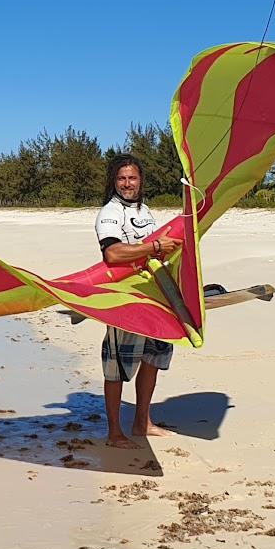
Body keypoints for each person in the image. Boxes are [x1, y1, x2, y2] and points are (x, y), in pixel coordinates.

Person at [94, 153, 182, 448]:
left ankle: (142, 422)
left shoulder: (145, 211)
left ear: (141, 180)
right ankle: (115, 433)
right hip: (124, 299)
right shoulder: (110, 212)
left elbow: (150, 250)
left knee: (153, 359)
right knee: (117, 366)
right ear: (114, 181)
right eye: (121, 178)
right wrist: (155, 245)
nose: (127, 183)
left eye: (132, 178)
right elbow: (113, 254)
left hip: (153, 295)